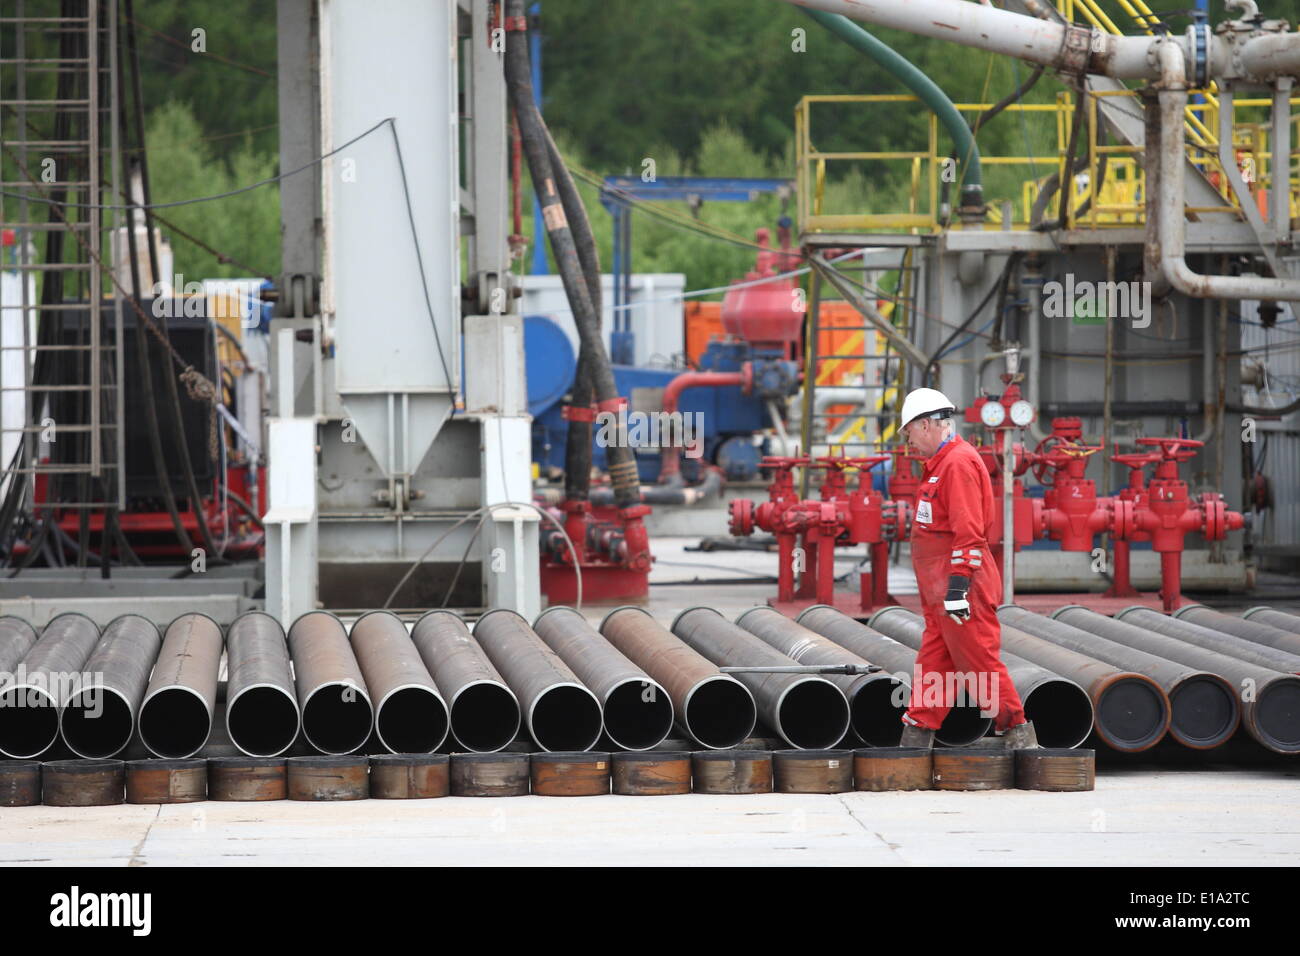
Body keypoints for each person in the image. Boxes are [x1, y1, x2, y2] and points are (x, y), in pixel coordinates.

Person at [895, 387, 1039, 750]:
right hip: (939, 592)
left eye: (909, 431)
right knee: (934, 663)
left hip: (960, 590)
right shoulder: (939, 466)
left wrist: (958, 589)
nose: (909, 440)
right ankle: (917, 735)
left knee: (978, 665)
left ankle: (1017, 732)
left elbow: (969, 532)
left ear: (926, 425)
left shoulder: (957, 463)